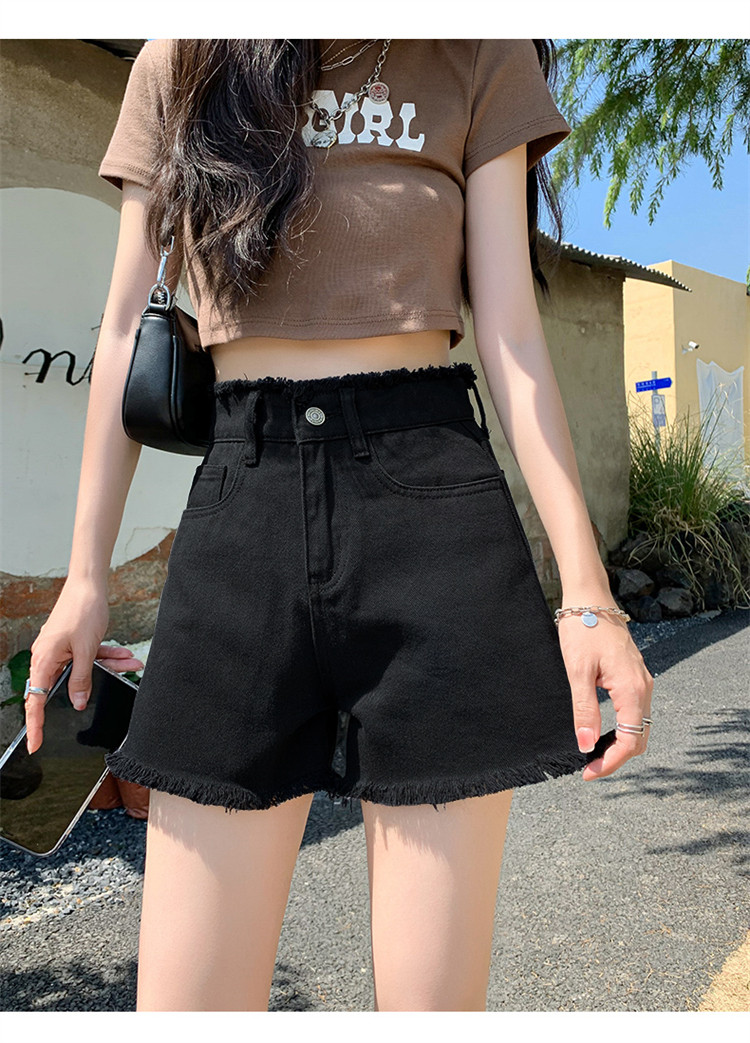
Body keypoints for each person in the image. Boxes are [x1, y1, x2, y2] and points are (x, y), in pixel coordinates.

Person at [24, 39, 653, 1012]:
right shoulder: (181, 60)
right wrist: (85, 574)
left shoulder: (473, 50)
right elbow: (119, 331)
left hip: (430, 518)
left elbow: (513, 332)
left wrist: (588, 593)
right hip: (243, 509)